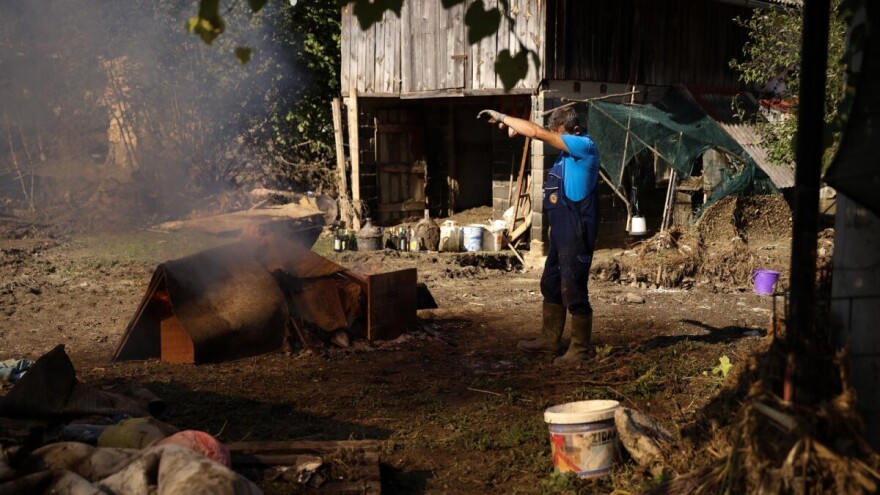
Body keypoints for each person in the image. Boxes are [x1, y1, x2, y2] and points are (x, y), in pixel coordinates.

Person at [477, 106, 600, 365]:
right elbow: (536, 133)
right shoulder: (566, 157)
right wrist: (515, 128)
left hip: (577, 230)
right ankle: (550, 339)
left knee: (573, 287)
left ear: (574, 131)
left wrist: (504, 117)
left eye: (560, 136)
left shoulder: (583, 146)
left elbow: (536, 132)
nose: (556, 140)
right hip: (562, 232)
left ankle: (580, 349)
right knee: (552, 282)